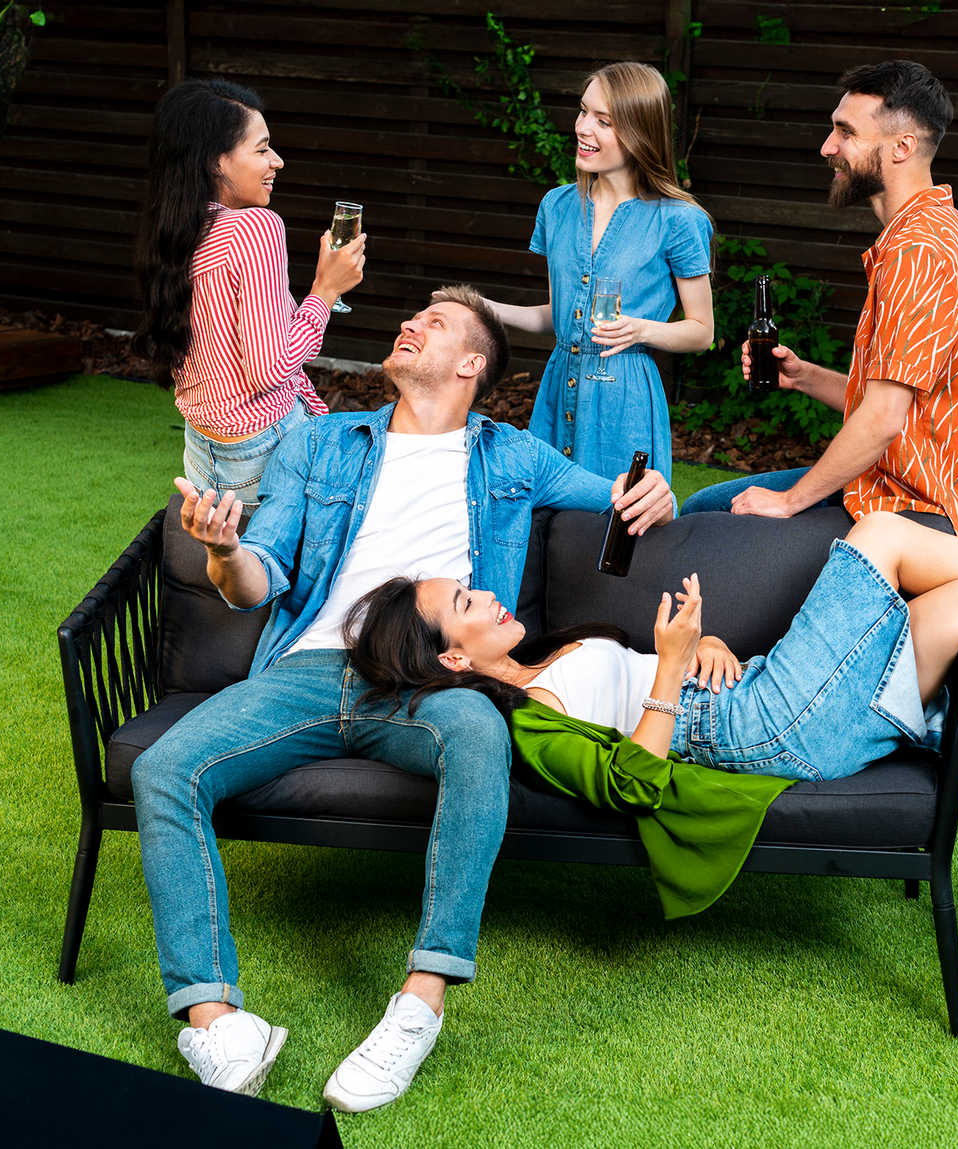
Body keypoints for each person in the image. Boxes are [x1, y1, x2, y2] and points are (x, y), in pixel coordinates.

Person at [129, 285, 674, 1110]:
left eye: (437, 321)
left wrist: (656, 491)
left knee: (478, 735)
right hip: (306, 671)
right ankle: (213, 1020)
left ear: (470, 364)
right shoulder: (322, 443)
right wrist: (223, 551)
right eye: (413, 313)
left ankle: (420, 1003)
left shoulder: (513, 455)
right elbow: (257, 578)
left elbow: (622, 494)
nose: (411, 322)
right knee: (164, 768)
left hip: (429, 679)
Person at [349, 516, 958, 899]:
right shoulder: (520, 721)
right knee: (885, 534)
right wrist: (673, 671)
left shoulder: (548, 654)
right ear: (455, 658)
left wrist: (701, 650)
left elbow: (654, 669)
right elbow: (632, 780)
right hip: (748, 732)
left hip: (751, 697)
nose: (488, 594)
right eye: (466, 601)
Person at [681, 60, 958, 559]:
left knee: (706, 521)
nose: (827, 147)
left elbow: (882, 420)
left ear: (902, 146)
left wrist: (789, 502)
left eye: (845, 132)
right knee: (708, 506)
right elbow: (909, 410)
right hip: (914, 494)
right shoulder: (937, 230)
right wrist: (805, 376)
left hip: (932, 517)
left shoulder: (917, 252)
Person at [132, 77, 366, 510]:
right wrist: (325, 290)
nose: (277, 161)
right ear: (212, 161)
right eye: (261, 149)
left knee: (229, 572)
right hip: (264, 448)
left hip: (203, 448)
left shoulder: (174, 231)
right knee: (285, 574)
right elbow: (270, 369)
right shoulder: (255, 228)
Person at [483, 61, 715, 484]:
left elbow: (702, 331)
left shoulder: (678, 221)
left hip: (624, 402)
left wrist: (638, 330)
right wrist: (481, 307)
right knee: (544, 521)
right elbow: (557, 316)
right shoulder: (556, 206)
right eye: (583, 111)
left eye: (603, 121)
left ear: (639, 133)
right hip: (557, 388)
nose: (583, 128)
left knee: (617, 529)